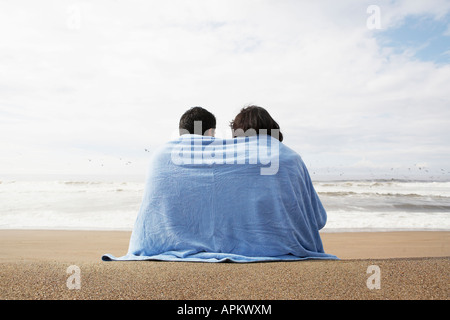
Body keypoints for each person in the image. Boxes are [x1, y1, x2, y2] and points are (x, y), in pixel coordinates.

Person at [102, 105, 337, 262]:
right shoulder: (290, 158)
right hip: (282, 250)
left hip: (155, 246)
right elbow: (317, 219)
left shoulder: (162, 153)